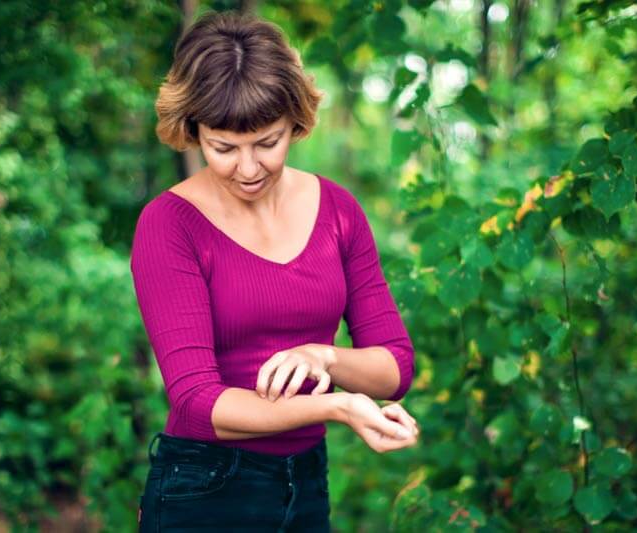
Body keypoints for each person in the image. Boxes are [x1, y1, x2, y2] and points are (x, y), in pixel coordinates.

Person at [129, 10, 419, 532]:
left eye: (267, 142)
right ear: (193, 132)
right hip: (205, 488)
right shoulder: (168, 224)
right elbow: (198, 403)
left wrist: (323, 355)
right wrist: (335, 406)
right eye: (223, 148)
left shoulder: (338, 210)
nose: (247, 168)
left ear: (296, 123)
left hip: (306, 484)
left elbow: (395, 368)